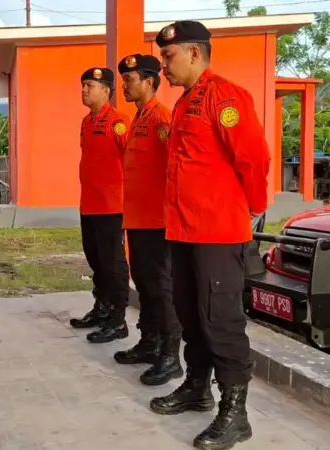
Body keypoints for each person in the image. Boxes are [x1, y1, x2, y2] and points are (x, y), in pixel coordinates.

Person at [149, 20, 271, 450]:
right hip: (183, 230)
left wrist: (254, 206)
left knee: (221, 321)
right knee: (190, 313)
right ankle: (197, 387)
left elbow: (253, 158)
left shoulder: (226, 96)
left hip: (217, 232)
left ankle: (235, 414)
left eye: (168, 56)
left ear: (194, 53)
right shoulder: (184, 102)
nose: (163, 66)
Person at [113, 53, 183, 387]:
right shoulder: (138, 118)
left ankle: (170, 356)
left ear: (149, 81)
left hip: (157, 221)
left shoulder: (160, 118)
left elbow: (174, 168)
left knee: (160, 287)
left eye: (129, 80)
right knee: (144, 284)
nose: (124, 86)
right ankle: (149, 341)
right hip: (137, 219)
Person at [69, 67, 132, 344]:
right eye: (82, 85)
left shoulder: (119, 122)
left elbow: (133, 161)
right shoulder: (86, 121)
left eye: (89, 86)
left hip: (112, 205)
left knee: (113, 263)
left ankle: (118, 319)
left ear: (106, 91)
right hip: (89, 203)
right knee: (95, 259)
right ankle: (102, 307)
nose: (84, 90)